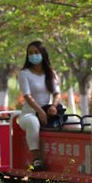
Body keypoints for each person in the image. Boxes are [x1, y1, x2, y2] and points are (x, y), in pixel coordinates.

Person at [16, 41, 60, 171]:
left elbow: (57, 93)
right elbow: (27, 96)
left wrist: (53, 106)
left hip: (48, 111)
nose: (33, 55)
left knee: (72, 123)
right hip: (29, 114)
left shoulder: (50, 73)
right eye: (30, 53)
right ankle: (36, 160)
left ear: (43, 54)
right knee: (33, 122)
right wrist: (40, 111)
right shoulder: (24, 73)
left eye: (36, 52)